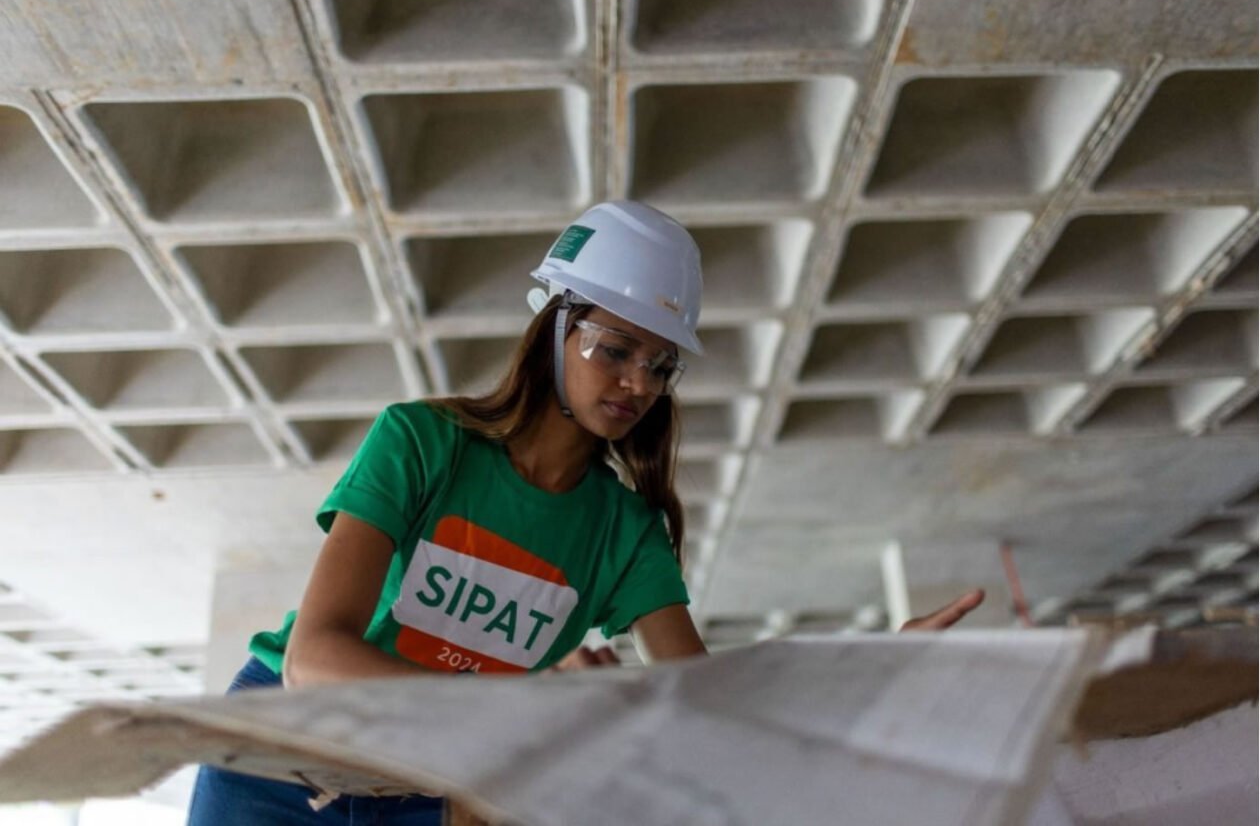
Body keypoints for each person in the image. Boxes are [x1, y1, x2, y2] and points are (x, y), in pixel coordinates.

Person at [186, 200, 983, 825]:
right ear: (554, 329)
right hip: (282, 758)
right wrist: (514, 715)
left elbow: (699, 709)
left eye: (660, 364)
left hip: (431, 784)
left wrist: (859, 670)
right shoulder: (422, 442)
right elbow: (314, 660)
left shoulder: (626, 534)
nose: (638, 382)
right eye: (614, 348)